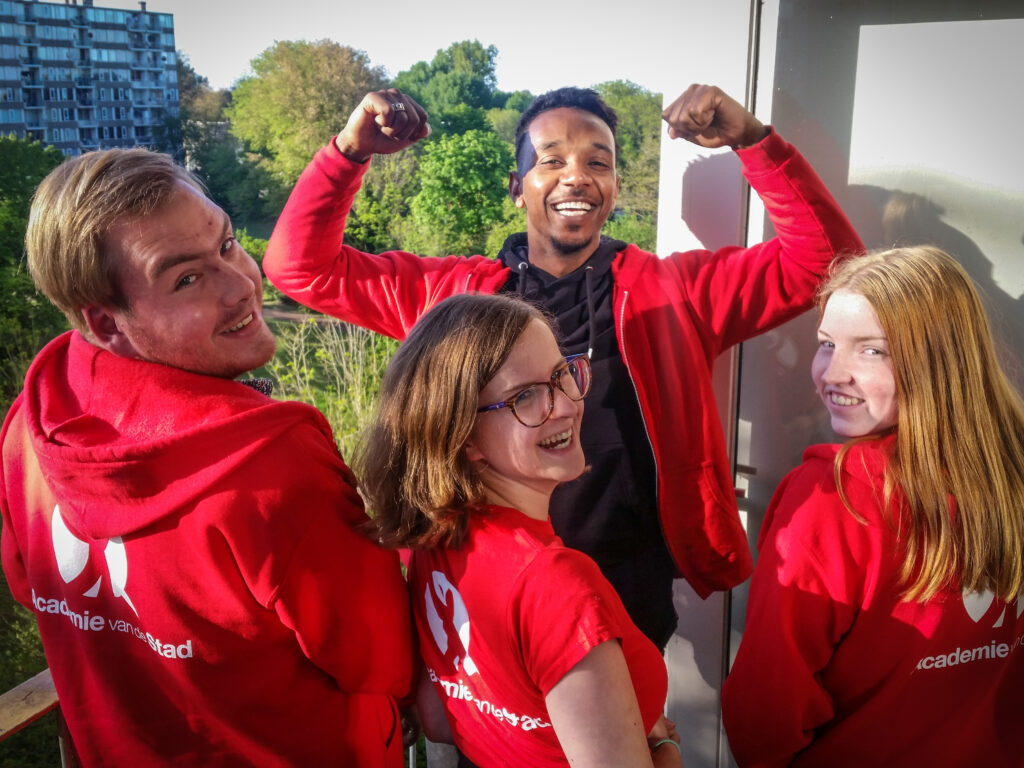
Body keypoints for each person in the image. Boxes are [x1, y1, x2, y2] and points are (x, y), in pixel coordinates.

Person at [263, 83, 864, 649]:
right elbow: (300, 268)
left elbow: (829, 261)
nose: (576, 174)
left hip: (626, 582)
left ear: (616, 187)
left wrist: (754, 140)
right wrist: (349, 152)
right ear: (516, 185)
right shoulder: (453, 297)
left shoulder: (677, 292)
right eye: (551, 160)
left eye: (597, 162)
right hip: (485, 580)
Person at [0, 149, 413, 766]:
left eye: (227, 244)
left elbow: (33, 587)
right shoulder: (271, 461)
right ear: (107, 323)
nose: (242, 284)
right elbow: (380, 656)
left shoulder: (35, 419)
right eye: (185, 279)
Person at [721, 246, 1024, 766]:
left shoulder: (832, 498)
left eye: (872, 350)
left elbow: (766, 711)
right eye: (826, 344)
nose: (832, 373)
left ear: (941, 359)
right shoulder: (1011, 465)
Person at [355, 292, 682, 767]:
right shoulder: (557, 586)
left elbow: (439, 717)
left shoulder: (434, 542)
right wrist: (662, 745)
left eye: (560, 374)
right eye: (524, 396)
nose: (566, 405)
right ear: (462, 438)